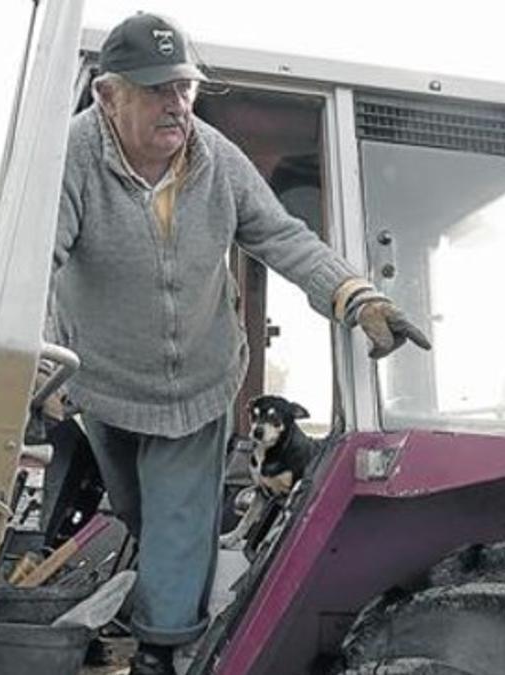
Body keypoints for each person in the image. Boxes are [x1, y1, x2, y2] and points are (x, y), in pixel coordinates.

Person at [46, 12, 430, 675]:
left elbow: (281, 235)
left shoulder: (217, 160)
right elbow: (36, 260)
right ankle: (155, 592)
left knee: (178, 519)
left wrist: (356, 294)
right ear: (108, 95)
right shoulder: (73, 155)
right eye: (155, 88)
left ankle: (161, 654)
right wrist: (26, 365)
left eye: (184, 87)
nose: (176, 103)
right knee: (136, 507)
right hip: (105, 384)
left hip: (199, 382)